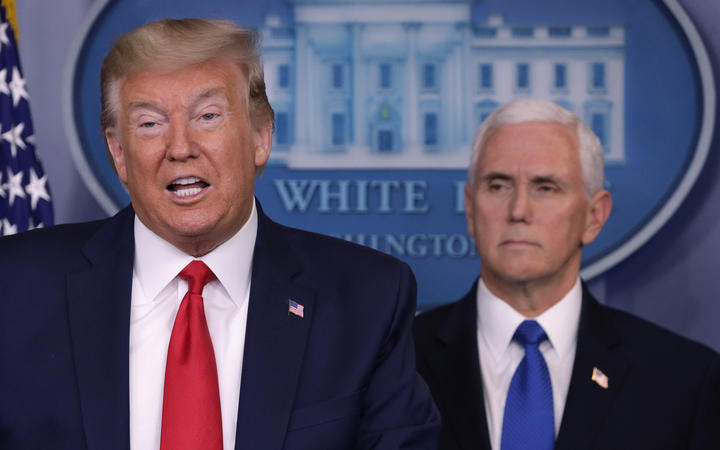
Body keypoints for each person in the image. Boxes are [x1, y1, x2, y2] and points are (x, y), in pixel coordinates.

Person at [0, 18, 439, 450]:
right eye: (150, 123)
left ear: (260, 137)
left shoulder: (367, 299)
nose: (180, 147)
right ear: (118, 153)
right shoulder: (15, 286)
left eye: (207, 116)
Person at [413, 98, 720, 450]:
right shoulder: (399, 363)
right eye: (498, 186)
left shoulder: (683, 380)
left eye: (546, 187)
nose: (518, 210)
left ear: (594, 216)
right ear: (470, 209)